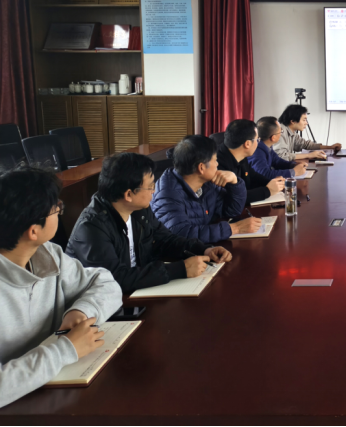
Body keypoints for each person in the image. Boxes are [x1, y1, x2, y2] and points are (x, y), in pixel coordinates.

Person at [0, 167, 122, 409]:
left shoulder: (47, 253)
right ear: (33, 231)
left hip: (56, 394)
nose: (59, 210)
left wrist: (81, 311)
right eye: (56, 209)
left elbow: (106, 283)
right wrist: (66, 349)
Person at [66, 153, 233, 295]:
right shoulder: (92, 227)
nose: (154, 190)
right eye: (150, 186)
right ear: (128, 195)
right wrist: (179, 269)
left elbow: (166, 240)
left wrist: (204, 249)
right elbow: (114, 278)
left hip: (138, 290)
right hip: (102, 304)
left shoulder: (139, 210)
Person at [152, 135, 260, 243]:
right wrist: (235, 228)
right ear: (201, 167)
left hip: (204, 247)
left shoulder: (207, 183)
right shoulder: (167, 195)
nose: (217, 164)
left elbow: (232, 210)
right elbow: (182, 234)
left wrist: (234, 182)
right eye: (215, 160)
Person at [216, 119, 285, 205]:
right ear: (247, 144)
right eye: (257, 140)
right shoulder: (217, 164)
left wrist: (274, 183)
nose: (258, 143)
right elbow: (233, 197)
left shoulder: (241, 155)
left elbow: (253, 176)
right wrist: (268, 190)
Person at [274, 104, 341, 161]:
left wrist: (331, 147)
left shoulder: (292, 132)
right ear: (293, 121)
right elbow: (281, 156)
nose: (306, 123)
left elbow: (306, 145)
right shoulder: (280, 132)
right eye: (304, 120)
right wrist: (309, 155)